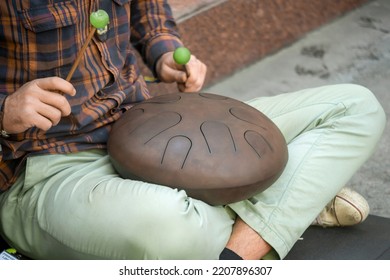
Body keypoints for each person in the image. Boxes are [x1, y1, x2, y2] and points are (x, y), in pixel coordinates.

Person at [0, 0, 386, 260]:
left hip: (148, 123)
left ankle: (243, 232)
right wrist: (5, 109)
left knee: (355, 107)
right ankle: (284, 208)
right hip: (46, 166)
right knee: (174, 229)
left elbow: (146, 10)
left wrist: (163, 49)